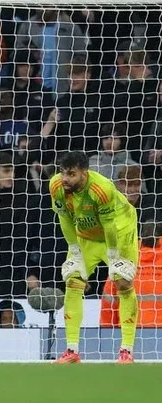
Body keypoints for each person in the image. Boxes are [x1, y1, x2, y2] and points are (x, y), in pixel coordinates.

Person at [50, 151, 138, 364]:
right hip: (86, 235)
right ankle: (71, 350)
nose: (65, 178)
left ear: (84, 173)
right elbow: (65, 219)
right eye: (63, 173)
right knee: (73, 281)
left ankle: (126, 351)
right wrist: (75, 251)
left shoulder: (102, 188)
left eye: (71, 174)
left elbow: (109, 225)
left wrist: (114, 256)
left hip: (119, 232)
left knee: (123, 283)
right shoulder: (56, 186)